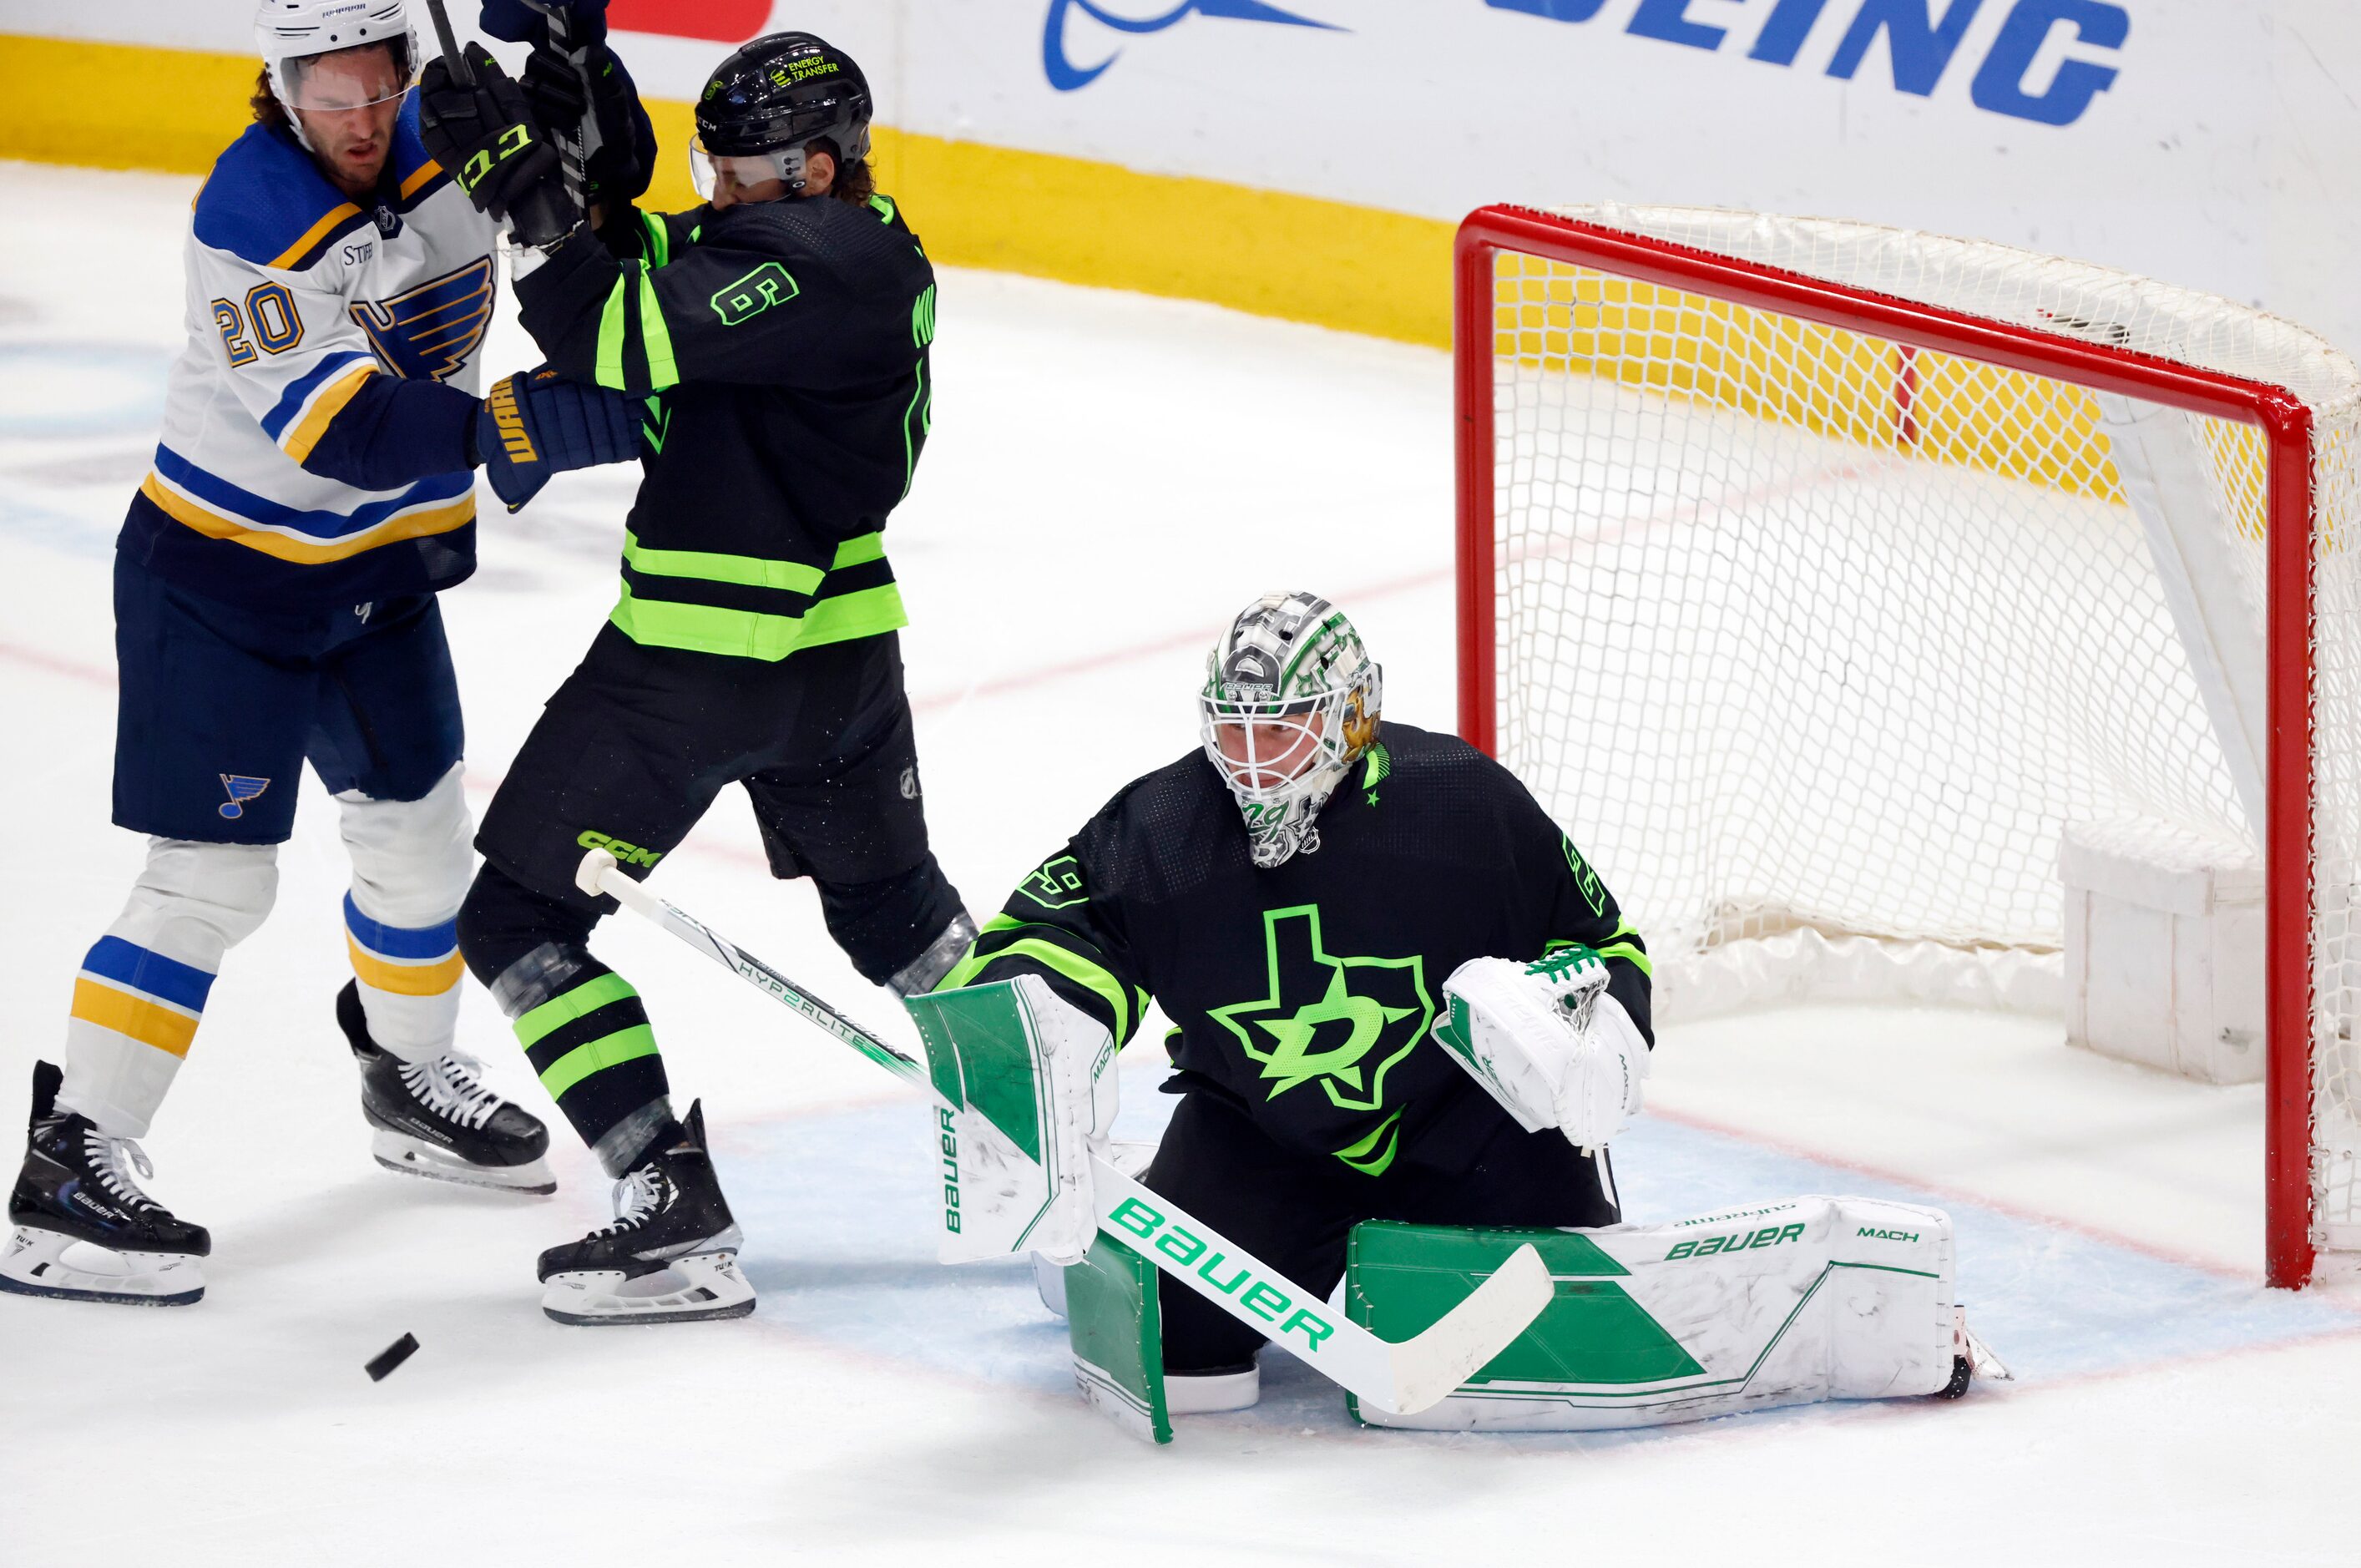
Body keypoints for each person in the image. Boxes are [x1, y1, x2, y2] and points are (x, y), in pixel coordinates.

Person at [918, 593, 1999, 1427]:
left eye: (1283, 730)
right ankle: (1092, 1251)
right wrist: (1038, 1044)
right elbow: (1048, 934)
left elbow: (1603, 944)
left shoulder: (1464, 807)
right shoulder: (1162, 825)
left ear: (1350, 715)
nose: (1250, 763)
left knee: (1557, 1334)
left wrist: (1589, 1041)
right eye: (1233, 729)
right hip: (1263, 1133)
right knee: (1182, 1359)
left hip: (1469, 1125)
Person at [1, 0, 642, 1308]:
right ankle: (66, 1167)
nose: (351, 116)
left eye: (369, 83)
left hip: (376, 576)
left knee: (417, 837)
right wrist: (527, 424)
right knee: (209, 884)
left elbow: (595, 202)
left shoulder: (450, 126)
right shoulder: (251, 211)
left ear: (403, 67)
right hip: (225, 583)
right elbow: (340, 429)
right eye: (320, 89)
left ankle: (409, 1078)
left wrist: (577, 90)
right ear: (280, 83)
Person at [417, 21, 971, 1325]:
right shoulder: (837, 244)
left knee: (514, 921)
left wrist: (521, 195)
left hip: (698, 666)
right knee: (900, 920)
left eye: (739, 172)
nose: (714, 192)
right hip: (839, 664)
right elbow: (653, 247)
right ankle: (1061, 1122)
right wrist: (583, 118)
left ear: (820, 169)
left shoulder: (824, 261)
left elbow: (614, 329)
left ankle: (667, 1201)